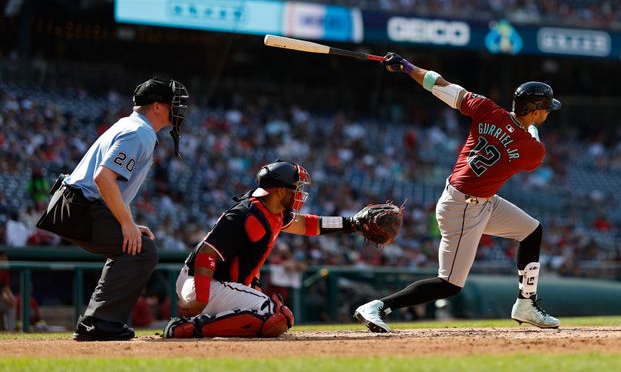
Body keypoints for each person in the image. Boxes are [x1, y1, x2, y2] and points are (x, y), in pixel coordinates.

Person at [354, 52, 561, 332]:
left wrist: (407, 67)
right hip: (464, 207)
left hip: (477, 200)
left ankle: (526, 303)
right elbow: (530, 144)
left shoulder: (487, 109)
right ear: (535, 112)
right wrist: (531, 128)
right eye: (546, 110)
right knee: (449, 284)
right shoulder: (532, 148)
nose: (548, 114)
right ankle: (378, 306)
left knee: (531, 231)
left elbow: (439, 84)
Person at [38, 77, 189, 341]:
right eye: (171, 104)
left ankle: (97, 321)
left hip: (78, 204)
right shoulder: (139, 131)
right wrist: (125, 223)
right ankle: (100, 322)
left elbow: (107, 184)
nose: (177, 110)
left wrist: (126, 221)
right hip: (79, 207)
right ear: (156, 106)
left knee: (133, 246)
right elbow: (103, 178)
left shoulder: (131, 125)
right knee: (143, 251)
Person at [163, 160, 366, 339]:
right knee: (274, 315)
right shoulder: (244, 214)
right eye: (295, 188)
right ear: (279, 191)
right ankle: (187, 328)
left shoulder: (273, 211)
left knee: (275, 316)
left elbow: (308, 225)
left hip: (217, 283)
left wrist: (351, 223)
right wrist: (201, 298)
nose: (299, 193)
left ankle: (197, 323)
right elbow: (207, 253)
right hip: (202, 282)